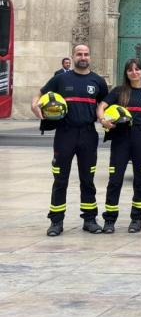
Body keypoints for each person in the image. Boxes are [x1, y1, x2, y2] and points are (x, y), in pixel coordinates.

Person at [32, 44, 108, 236]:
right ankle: (56, 222)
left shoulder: (98, 81)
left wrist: (105, 118)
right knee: (60, 179)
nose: (83, 57)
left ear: (90, 57)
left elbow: (105, 105)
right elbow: (39, 95)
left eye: (86, 54)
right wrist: (35, 106)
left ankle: (90, 220)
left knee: (87, 179)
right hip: (65, 134)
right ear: (73, 56)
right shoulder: (60, 79)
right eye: (79, 54)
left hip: (88, 135)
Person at [96, 59, 141, 234]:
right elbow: (101, 106)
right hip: (120, 139)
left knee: (140, 181)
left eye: (137, 69)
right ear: (126, 73)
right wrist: (103, 120)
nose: (134, 73)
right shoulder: (119, 91)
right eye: (130, 70)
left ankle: (136, 219)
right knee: (115, 180)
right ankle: (109, 220)